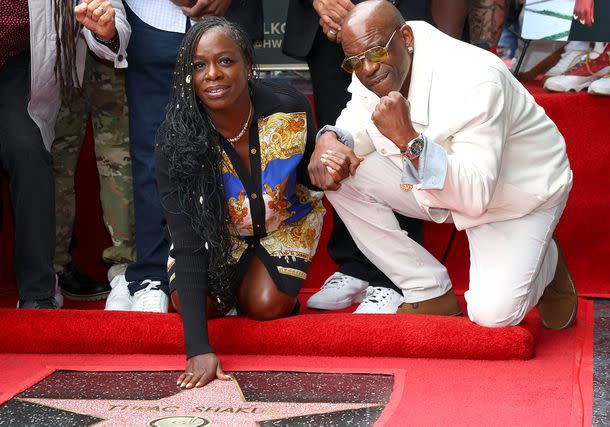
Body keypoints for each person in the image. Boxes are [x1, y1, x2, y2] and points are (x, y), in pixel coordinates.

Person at [308, 0, 577, 329]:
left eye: (375, 54)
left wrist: (408, 141)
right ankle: (427, 288)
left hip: (515, 196)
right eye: (354, 63)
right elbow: (357, 119)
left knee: (493, 316)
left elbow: (476, 195)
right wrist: (332, 139)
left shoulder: (477, 77)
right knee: (341, 173)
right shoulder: (377, 57)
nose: (366, 69)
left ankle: (545, 260)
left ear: (405, 38)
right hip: (440, 183)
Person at [155, 17, 324, 389]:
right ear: (189, 75)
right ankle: (237, 281)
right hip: (216, 233)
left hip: (283, 222)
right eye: (199, 65)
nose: (212, 74)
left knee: (264, 306)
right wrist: (197, 348)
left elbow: (314, 176)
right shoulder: (176, 141)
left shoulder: (289, 107)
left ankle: (261, 282)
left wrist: (332, 144)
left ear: (248, 65)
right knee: (193, 305)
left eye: (225, 61)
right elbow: (186, 241)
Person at [104, 0, 263, 313]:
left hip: (230, 15)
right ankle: (151, 276)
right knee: (153, 152)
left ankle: (228, 273)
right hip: (152, 17)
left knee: (231, 146)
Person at [283, 0, 432, 314]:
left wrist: (370, 10)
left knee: (400, 130)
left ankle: (395, 277)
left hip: (393, 11)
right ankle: (354, 265)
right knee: (341, 144)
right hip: (328, 25)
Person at [0, 0, 129, 309]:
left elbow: (110, 16)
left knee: (27, 148)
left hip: (18, 64)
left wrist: (109, 30)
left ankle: (38, 293)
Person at [52, 40, 135, 301]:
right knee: (55, 152)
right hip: (58, 40)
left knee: (117, 154)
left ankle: (125, 271)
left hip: (113, 30)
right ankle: (49, 269)